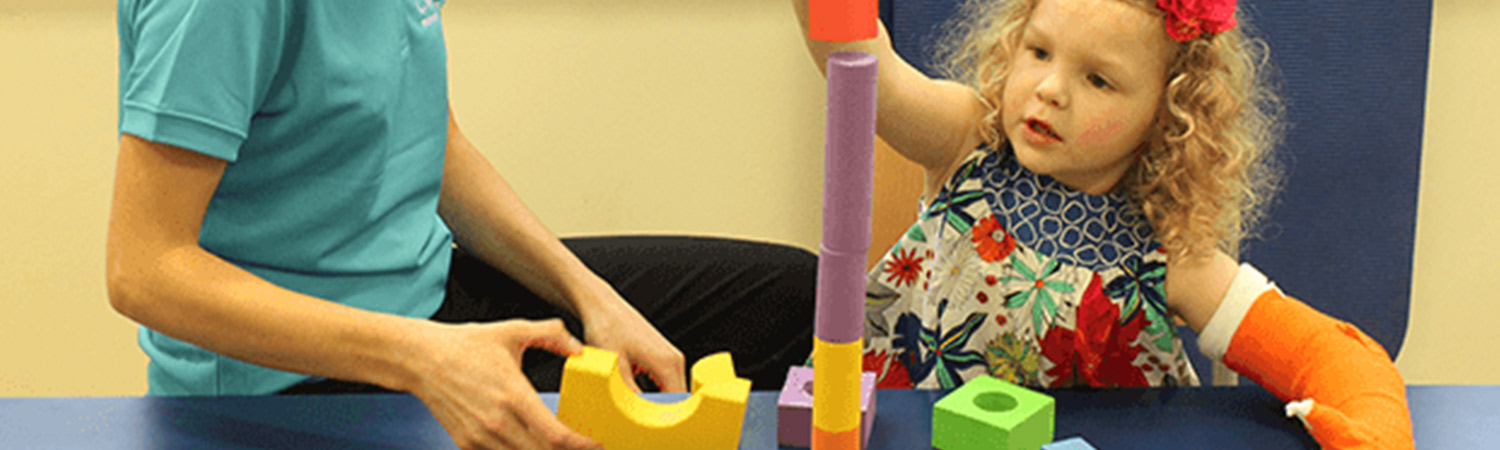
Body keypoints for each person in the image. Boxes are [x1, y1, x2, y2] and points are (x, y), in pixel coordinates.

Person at [108, 2, 814, 449]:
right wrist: (425, 359)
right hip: (293, 384)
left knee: (794, 302)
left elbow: (428, 140)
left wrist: (593, 297)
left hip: (430, 303)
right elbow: (143, 269)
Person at [793, 0, 1412, 447]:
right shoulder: (966, 138)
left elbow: (1321, 351)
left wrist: (1373, 427)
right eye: (1038, 51)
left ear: (1164, 116)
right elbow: (868, 70)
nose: (1050, 89)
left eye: (1099, 79)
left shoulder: (1171, 256)